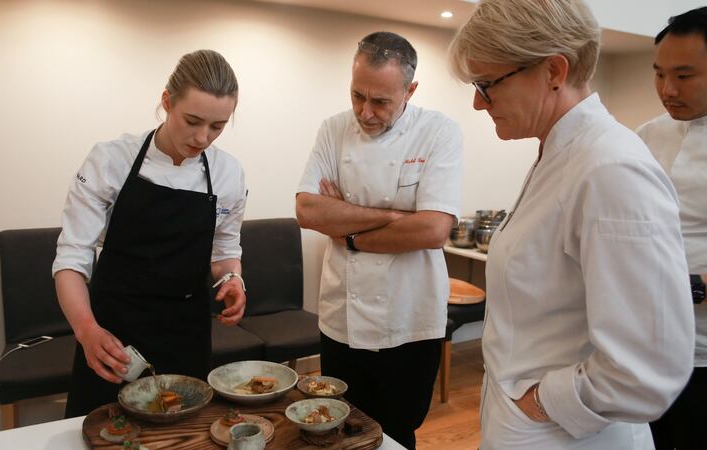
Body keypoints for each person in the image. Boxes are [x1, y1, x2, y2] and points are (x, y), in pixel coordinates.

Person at [448, 1, 695, 448]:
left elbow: (647, 368)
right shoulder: (562, 153)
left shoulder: (609, 168)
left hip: (564, 434)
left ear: (553, 71)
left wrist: (540, 402)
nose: (477, 102)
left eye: (486, 85)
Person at [53, 49, 248, 417]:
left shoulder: (228, 174)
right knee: (106, 432)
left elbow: (224, 250)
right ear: (166, 102)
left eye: (218, 126)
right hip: (112, 332)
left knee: (185, 434)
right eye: (192, 120)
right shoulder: (110, 160)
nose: (203, 137)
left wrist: (234, 279)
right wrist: (86, 330)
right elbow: (71, 258)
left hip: (186, 333)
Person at [295, 31, 463, 449]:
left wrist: (347, 230)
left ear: (410, 90)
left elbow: (433, 230)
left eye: (381, 102)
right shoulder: (333, 129)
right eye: (357, 96)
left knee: (398, 429)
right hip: (342, 315)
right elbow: (308, 211)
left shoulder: (439, 132)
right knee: (340, 424)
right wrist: (396, 216)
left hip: (410, 317)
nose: (365, 112)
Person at [636, 7, 707, 449]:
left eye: (685, 75)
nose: (667, 89)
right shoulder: (647, 135)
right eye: (659, 73)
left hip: (702, 352)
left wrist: (686, 288)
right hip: (642, 346)